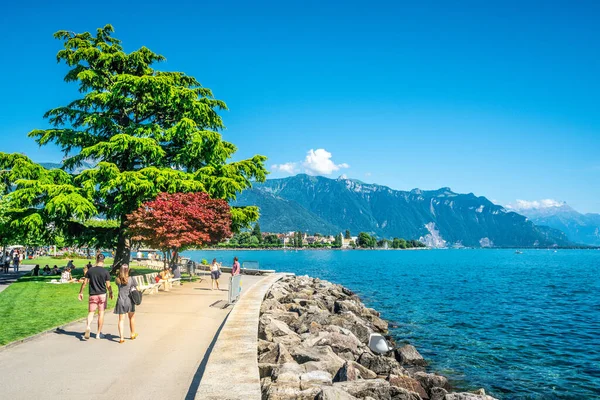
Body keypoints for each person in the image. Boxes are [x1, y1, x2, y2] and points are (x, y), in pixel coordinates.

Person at [78, 253, 113, 340]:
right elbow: (108, 285)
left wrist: (81, 292)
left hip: (93, 294)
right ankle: (98, 334)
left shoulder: (90, 270)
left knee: (91, 312)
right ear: (103, 261)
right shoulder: (105, 272)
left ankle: (88, 326)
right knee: (101, 313)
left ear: (96, 260)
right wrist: (111, 293)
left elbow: (84, 283)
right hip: (102, 295)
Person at [114, 264, 138, 343]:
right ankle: (132, 333)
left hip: (121, 300)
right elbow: (136, 288)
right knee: (131, 318)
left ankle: (121, 338)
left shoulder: (117, 279)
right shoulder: (131, 279)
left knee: (121, 320)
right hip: (129, 300)